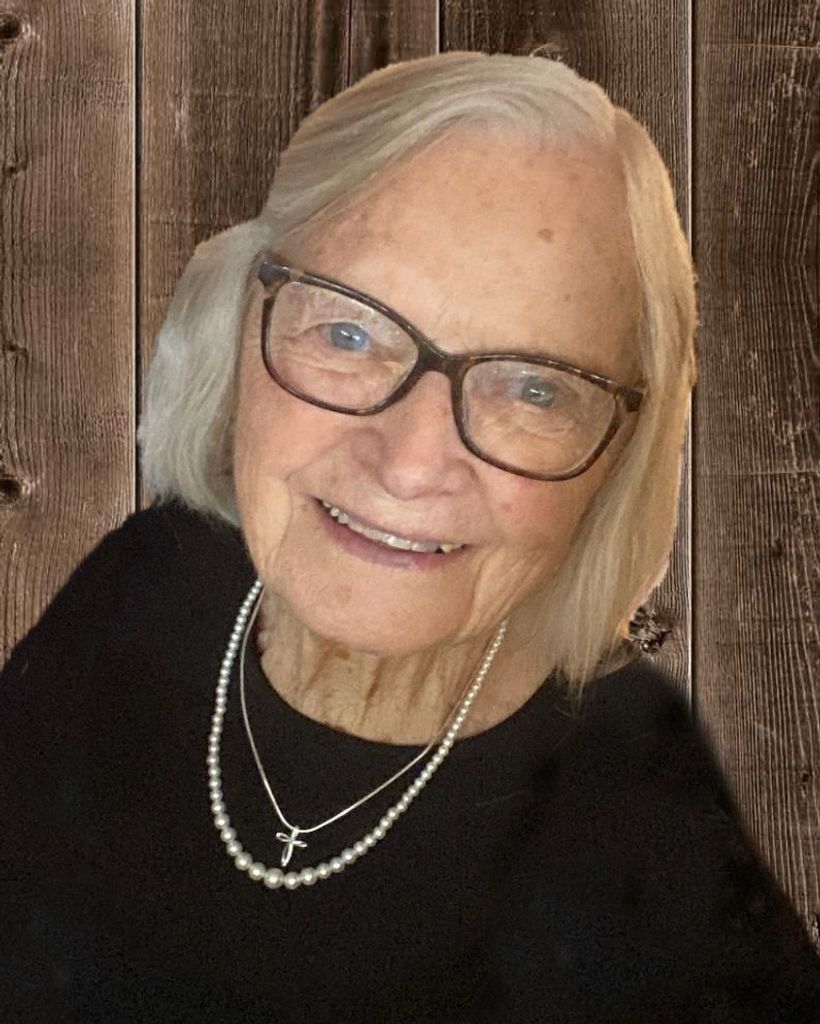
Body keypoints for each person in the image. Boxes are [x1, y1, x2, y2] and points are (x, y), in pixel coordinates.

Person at [1, 50, 818, 1024]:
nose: (410, 463)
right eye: (349, 333)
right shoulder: (152, 577)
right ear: (236, 319)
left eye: (534, 388)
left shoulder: (658, 874)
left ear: (616, 461)